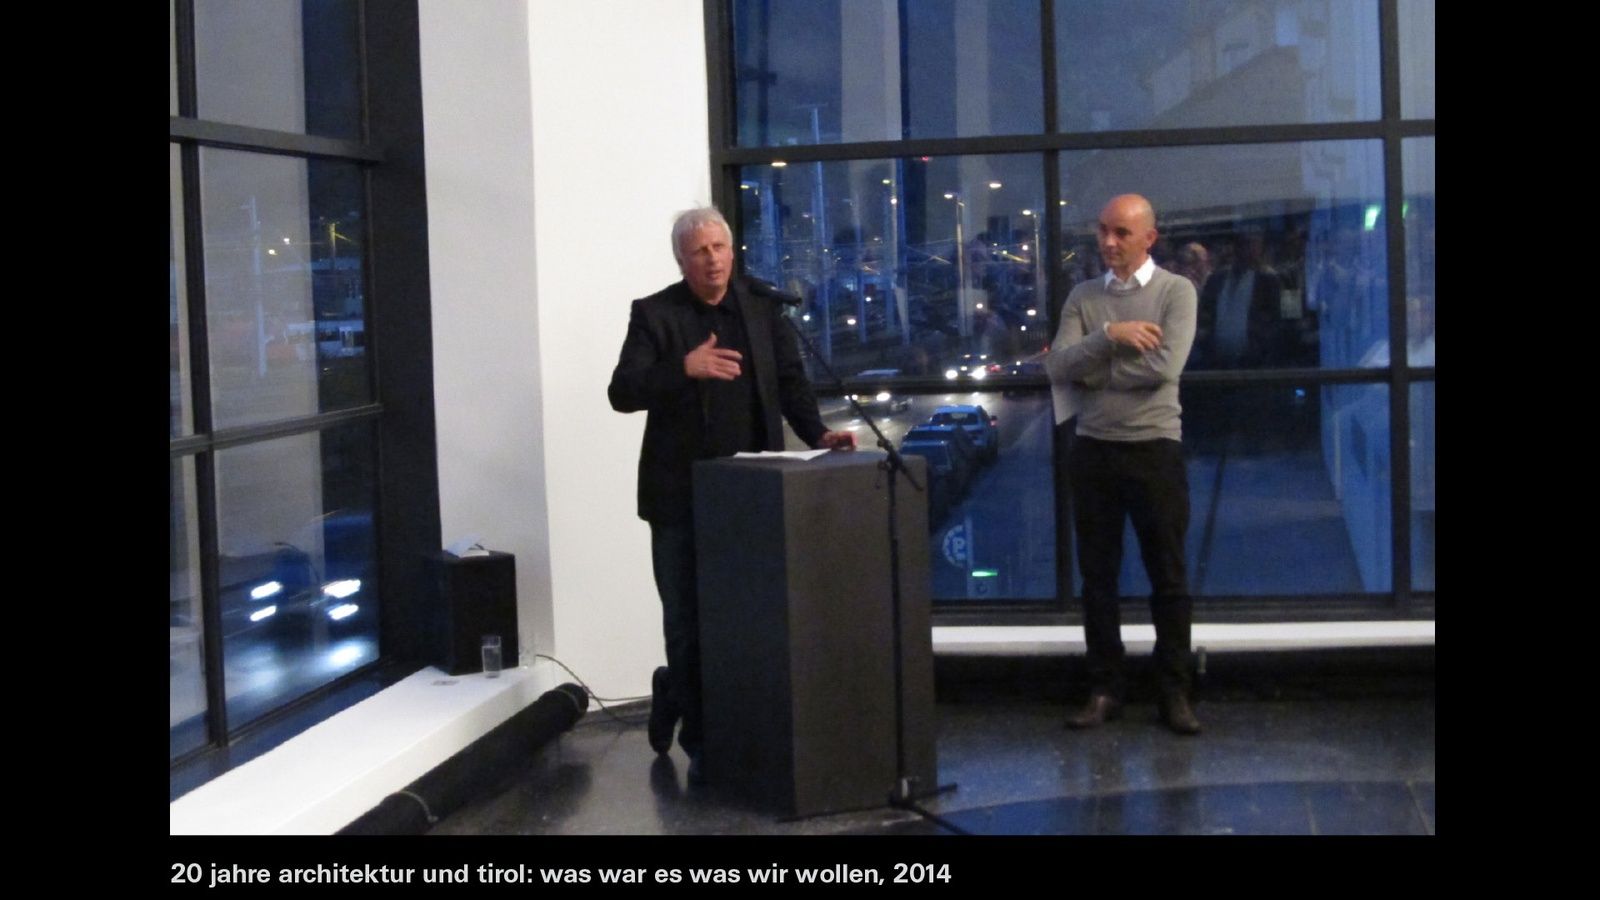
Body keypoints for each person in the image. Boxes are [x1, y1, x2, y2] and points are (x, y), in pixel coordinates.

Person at [607, 207, 856, 782]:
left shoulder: (763, 308)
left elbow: (791, 383)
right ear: (681, 260)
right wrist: (683, 368)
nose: (713, 259)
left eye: (719, 247)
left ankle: (690, 697)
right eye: (700, 251)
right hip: (679, 499)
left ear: (732, 250)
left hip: (752, 497)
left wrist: (818, 433)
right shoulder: (654, 314)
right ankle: (702, 741)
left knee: (747, 619)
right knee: (686, 621)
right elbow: (622, 392)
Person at [1045, 193, 1202, 735]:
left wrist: (1094, 372)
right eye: (1103, 231)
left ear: (1149, 238)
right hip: (1093, 451)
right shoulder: (1084, 297)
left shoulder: (1176, 292)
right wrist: (1111, 335)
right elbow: (1058, 367)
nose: (1108, 242)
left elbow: (1164, 368)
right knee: (1098, 579)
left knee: (1169, 577)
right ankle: (1105, 689)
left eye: (1121, 233)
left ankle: (1174, 691)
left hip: (1155, 449)